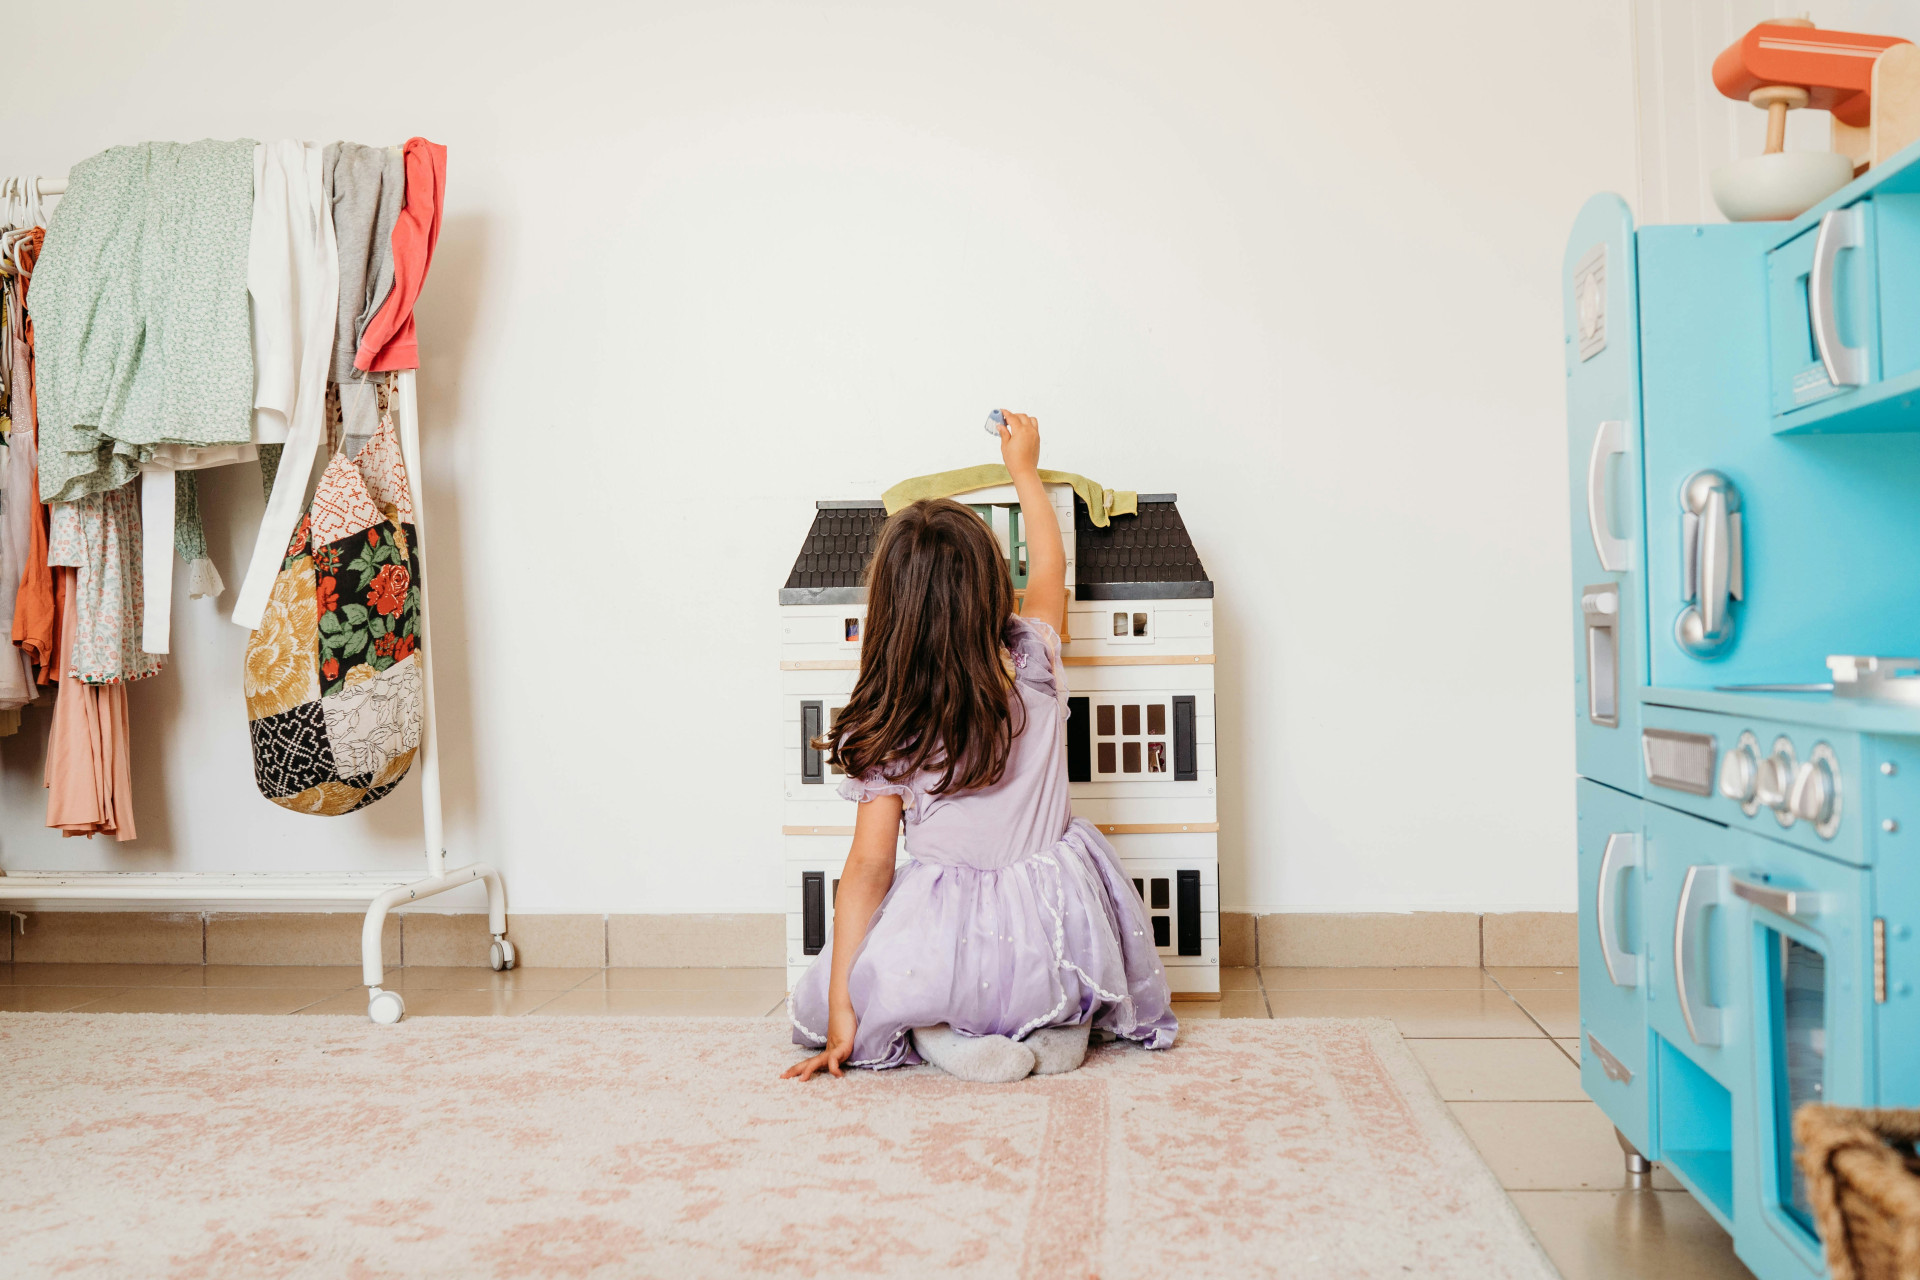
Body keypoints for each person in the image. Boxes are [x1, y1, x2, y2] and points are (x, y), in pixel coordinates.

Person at [784, 413, 1177, 1084]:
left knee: (917, 978)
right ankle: (1058, 1028)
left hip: (952, 945)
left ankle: (948, 1037)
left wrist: (845, 1012)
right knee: (1054, 970)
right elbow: (1049, 568)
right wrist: (1024, 468)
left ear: (891, 612)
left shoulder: (889, 725)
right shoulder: (1034, 664)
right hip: (1051, 928)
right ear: (994, 587)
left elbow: (869, 870)